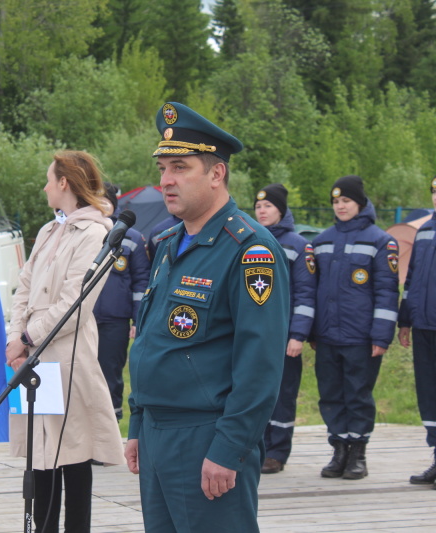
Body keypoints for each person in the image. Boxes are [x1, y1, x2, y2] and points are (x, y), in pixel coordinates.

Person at [125, 102, 290, 533]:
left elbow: (261, 364)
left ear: (216, 174)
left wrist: (229, 447)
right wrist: (138, 423)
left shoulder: (249, 250)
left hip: (206, 437)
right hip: (159, 433)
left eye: (180, 167)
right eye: (163, 168)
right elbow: (152, 341)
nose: (166, 181)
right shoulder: (168, 244)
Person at [5, 150, 126, 532]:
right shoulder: (47, 231)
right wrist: (14, 340)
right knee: (38, 455)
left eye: (48, 179)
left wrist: (27, 336)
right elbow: (22, 289)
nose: (44, 186)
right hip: (30, 359)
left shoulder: (95, 233)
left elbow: (75, 303)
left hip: (65, 357)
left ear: (64, 183)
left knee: (71, 453)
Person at [311, 175, 399, 480]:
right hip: (326, 336)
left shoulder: (381, 241)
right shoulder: (321, 241)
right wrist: (311, 331)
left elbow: (387, 293)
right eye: (336, 202)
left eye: (346, 200)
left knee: (358, 395)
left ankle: (358, 453)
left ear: (359, 203)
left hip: (361, 337)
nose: (340, 206)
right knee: (331, 394)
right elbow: (311, 290)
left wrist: (382, 335)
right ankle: (339, 451)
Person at [254, 183, 317, 474]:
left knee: (282, 394)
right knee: (255, 391)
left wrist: (298, 335)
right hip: (256, 336)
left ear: (281, 210)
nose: (262, 211)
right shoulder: (252, 241)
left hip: (284, 336)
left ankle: (277, 452)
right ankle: (257, 446)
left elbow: (305, 294)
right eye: (258, 206)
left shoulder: (298, 245)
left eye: (268, 206)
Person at [93, 183, 151, 420]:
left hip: (114, 322)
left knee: (110, 375)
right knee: (81, 375)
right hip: (81, 319)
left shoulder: (132, 238)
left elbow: (141, 282)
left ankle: (110, 430)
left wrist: (137, 319)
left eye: (104, 201)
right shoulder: (83, 233)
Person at [398, 176, 436, 487]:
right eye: (434, 191)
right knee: (428, 394)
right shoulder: (424, 232)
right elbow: (411, 282)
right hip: (424, 325)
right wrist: (406, 320)